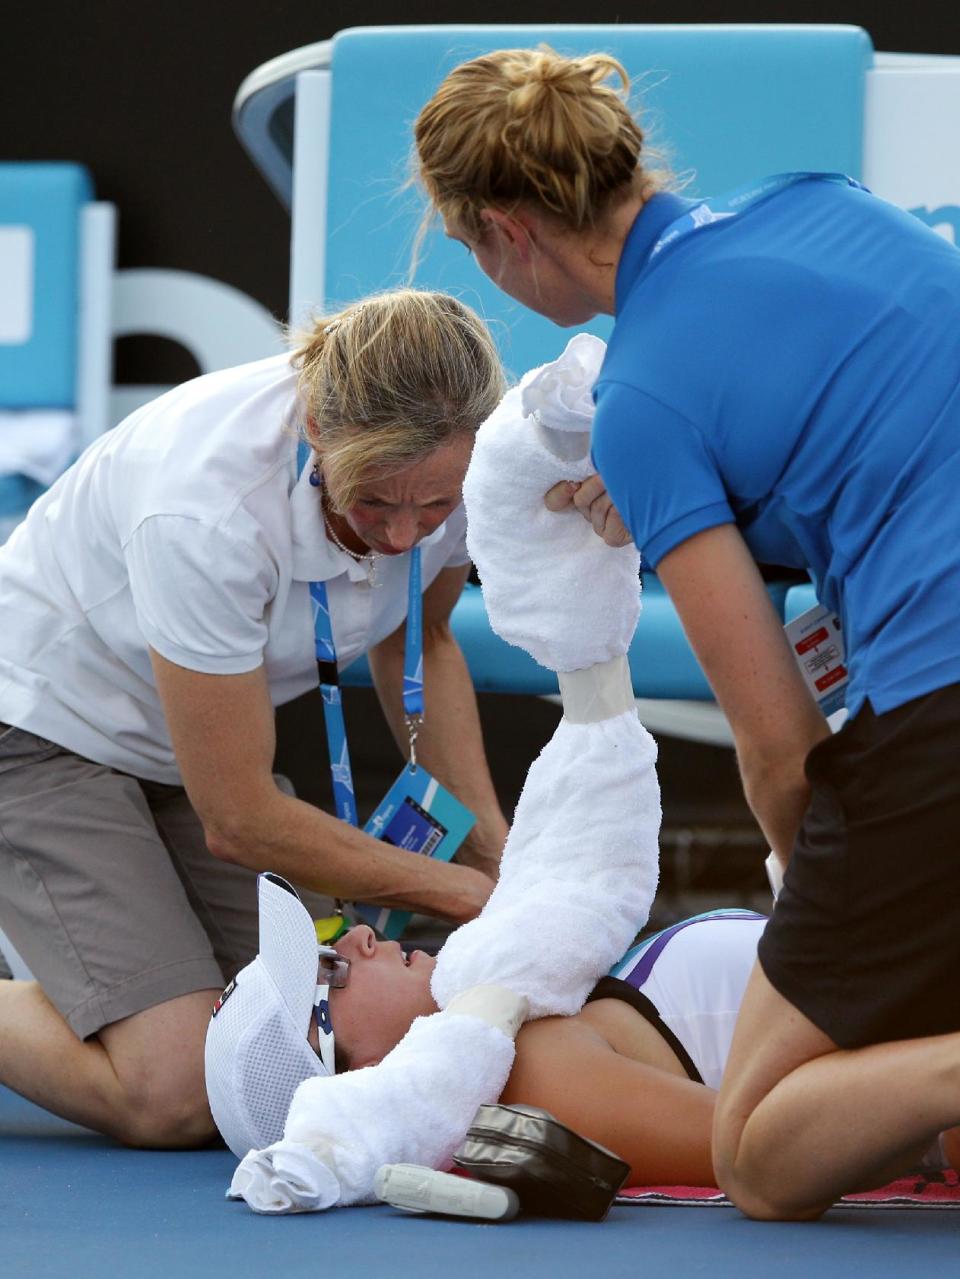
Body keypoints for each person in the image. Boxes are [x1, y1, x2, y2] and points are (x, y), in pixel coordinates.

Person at [412, 48, 960, 1218]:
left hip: (939, 726)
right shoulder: (826, 200)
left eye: (471, 254)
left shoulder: (645, 402)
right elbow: (886, 443)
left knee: (761, 1153)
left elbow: (778, 744)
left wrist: (825, 897)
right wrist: (734, 513)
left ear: (509, 234)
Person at [0, 288, 509, 1150]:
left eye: (432, 511)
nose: (400, 537)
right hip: (42, 726)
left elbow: (415, 644)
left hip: (183, 747)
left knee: (307, 1051)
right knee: (175, 1090)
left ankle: (104, 965)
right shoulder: (203, 505)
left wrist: (499, 854)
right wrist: (465, 893)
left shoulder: (468, 467)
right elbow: (236, 819)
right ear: (316, 426)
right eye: (375, 502)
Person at [204, 874, 957, 1189]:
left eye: (334, 932)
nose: (362, 934)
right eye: (331, 967)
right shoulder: (533, 1073)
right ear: (348, 1070)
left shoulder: (527, 1018)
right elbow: (770, 1152)